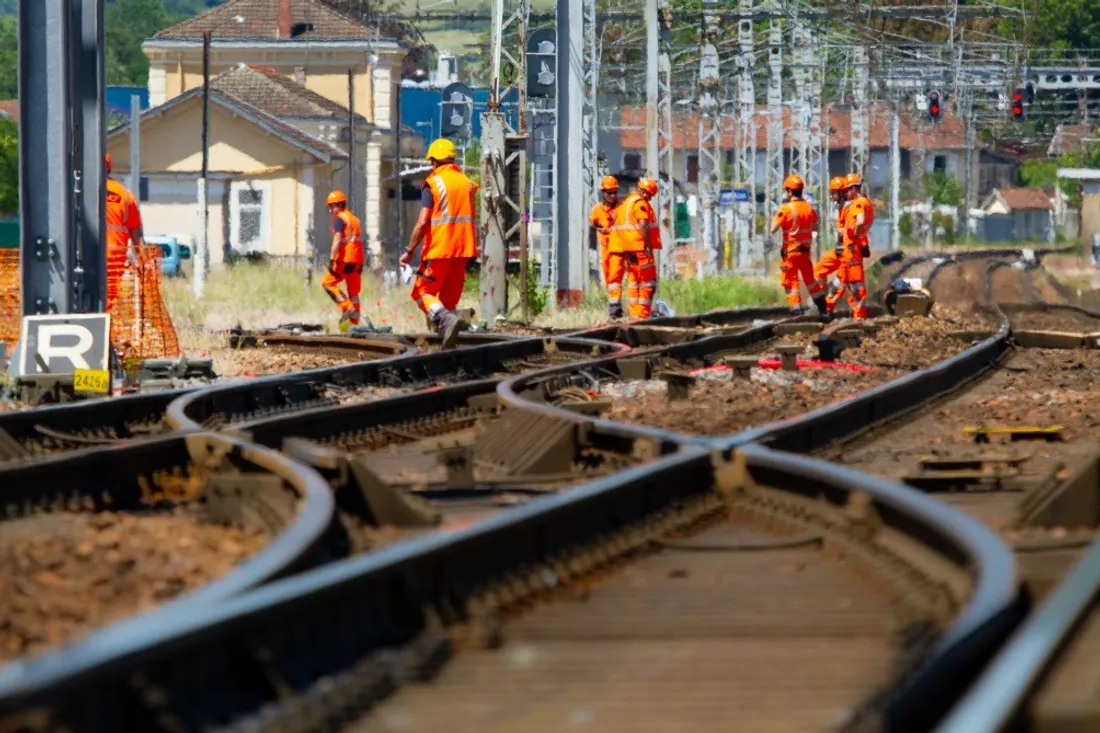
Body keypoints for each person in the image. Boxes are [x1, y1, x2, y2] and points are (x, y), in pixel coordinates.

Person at [400, 138, 477, 348]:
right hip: (464, 250)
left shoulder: (433, 184)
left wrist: (409, 251)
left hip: (440, 249)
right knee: (448, 302)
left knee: (422, 292)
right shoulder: (467, 183)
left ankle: (447, 321)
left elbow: (423, 222)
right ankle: (448, 341)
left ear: (433, 161)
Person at [770, 174, 827, 316]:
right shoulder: (808, 208)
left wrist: (777, 215)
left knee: (791, 283)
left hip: (790, 252)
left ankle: (796, 313)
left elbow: (773, 229)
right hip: (805, 252)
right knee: (810, 281)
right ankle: (823, 310)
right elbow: (815, 226)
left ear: (789, 191)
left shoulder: (786, 209)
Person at [608, 177, 662, 319]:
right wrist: (648, 246)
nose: (649, 199)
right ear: (645, 193)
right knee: (648, 282)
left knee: (634, 281)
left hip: (629, 250)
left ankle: (634, 315)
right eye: (650, 196)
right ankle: (642, 315)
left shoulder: (625, 204)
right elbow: (643, 224)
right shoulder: (639, 203)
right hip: (640, 248)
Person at [104, 153, 145, 313]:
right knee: (107, 303)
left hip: (86, 259)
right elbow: (137, 238)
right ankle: (105, 336)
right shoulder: (126, 196)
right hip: (114, 262)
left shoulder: (80, 192)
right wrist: (145, 264)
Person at [321, 190, 365, 332]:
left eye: (332, 206)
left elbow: (338, 239)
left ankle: (347, 307)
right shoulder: (354, 219)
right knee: (354, 293)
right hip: (357, 261)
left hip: (345, 259)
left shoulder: (339, 219)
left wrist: (332, 259)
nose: (330, 210)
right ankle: (354, 325)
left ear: (339, 205)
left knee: (327, 283)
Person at [837, 172, 874, 319]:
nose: (845, 193)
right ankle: (855, 312)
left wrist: (855, 236)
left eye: (847, 190)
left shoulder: (858, 203)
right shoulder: (864, 202)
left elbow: (860, 221)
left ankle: (859, 315)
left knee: (856, 283)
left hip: (853, 247)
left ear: (853, 189)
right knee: (848, 282)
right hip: (852, 247)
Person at [813, 176, 851, 317]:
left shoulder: (849, 209)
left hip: (848, 252)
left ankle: (828, 306)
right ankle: (821, 302)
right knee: (818, 270)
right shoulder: (840, 208)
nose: (832, 195)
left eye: (834, 192)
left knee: (839, 282)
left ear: (842, 192)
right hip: (839, 250)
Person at [589, 175, 621, 318]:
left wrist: (612, 230)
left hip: (618, 250)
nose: (613, 195)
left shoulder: (621, 208)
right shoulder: (597, 210)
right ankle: (615, 307)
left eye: (615, 192)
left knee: (615, 278)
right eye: (610, 192)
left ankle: (615, 309)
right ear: (603, 193)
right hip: (605, 249)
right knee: (609, 280)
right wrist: (599, 229)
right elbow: (592, 223)